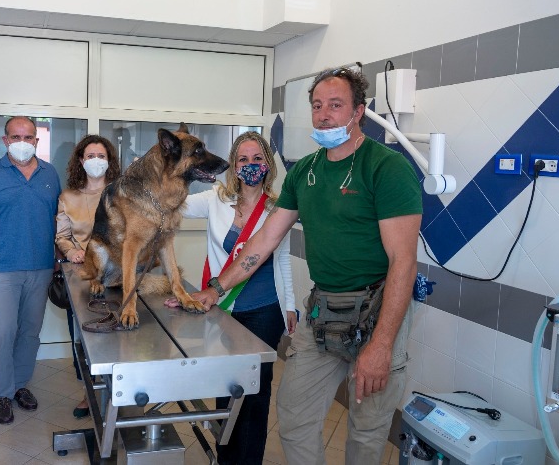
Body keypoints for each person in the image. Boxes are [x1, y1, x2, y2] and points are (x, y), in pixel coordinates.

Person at [181, 68, 423, 464]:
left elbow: (404, 262)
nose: (324, 115)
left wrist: (381, 345)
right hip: (323, 310)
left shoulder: (386, 167)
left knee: (366, 432)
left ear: (358, 111)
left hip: (377, 310)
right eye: (317, 106)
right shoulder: (306, 172)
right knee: (294, 419)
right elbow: (264, 241)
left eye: (335, 105)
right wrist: (216, 289)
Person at [166, 131, 295, 464]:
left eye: (257, 159)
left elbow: (282, 260)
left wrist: (291, 305)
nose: (251, 165)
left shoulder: (278, 208)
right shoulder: (215, 200)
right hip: (223, 307)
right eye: (243, 159)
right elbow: (171, 204)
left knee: (255, 391)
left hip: (265, 309)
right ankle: (225, 456)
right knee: (225, 386)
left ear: (268, 165)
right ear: (233, 166)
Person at [0, 116, 62, 425]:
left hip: (42, 268)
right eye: (16, 137)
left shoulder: (50, 174)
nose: (23, 142)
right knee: (2, 333)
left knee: (29, 333)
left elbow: (59, 222)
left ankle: (20, 385)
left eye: (28, 137)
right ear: (5, 140)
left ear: (36, 140)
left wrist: (59, 260)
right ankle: (1, 395)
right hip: (2, 270)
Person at [54, 135, 120, 418]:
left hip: (117, 276)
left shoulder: (121, 193)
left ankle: (118, 392)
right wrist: (72, 252)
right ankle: (89, 391)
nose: (96, 161)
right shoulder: (68, 197)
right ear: (81, 161)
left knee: (118, 337)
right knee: (82, 338)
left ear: (109, 161)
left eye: (101, 156)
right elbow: (62, 236)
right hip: (82, 277)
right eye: (90, 156)